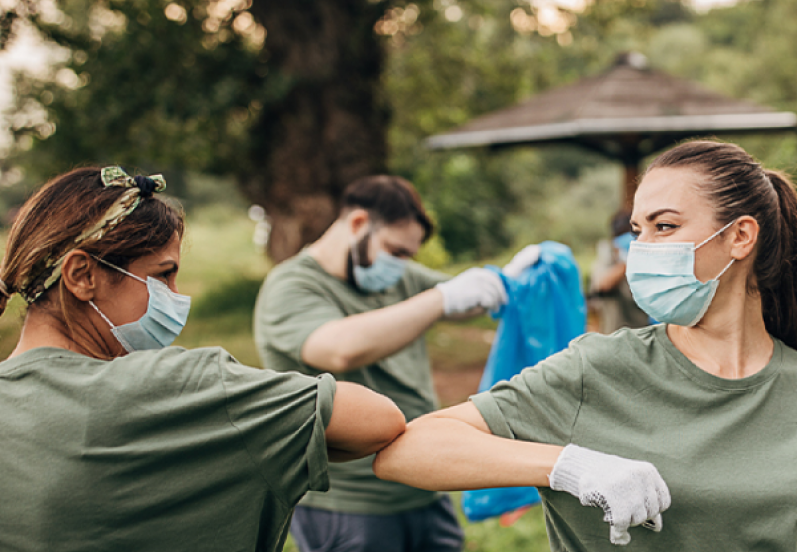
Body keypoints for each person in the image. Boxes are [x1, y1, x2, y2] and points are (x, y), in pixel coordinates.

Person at [373, 140, 797, 551]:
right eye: (637, 231)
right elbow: (407, 450)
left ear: (741, 236)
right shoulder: (599, 368)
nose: (639, 251)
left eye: (664, 227)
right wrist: (567, 466)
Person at [0, 167, 406, 552]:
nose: (177, 298)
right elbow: (376, 421)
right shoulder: (183, 388)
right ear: (82, 276)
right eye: (163, 275)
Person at [254, 174, 541, 552]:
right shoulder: (292, 286)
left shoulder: (392, 277)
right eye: (396, 251)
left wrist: (506, 281)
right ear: (358, 224)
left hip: (425, 485)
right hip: (349, 504)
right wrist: (440, 299)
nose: (402, 264)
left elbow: (462, 299)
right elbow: (339, 347)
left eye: (409, 255)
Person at [590, 210, 649, 333]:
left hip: (642, 330)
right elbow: (601, 284)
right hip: (615, 331)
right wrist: (626, 262)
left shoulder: (647, 256)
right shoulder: (608, 254)